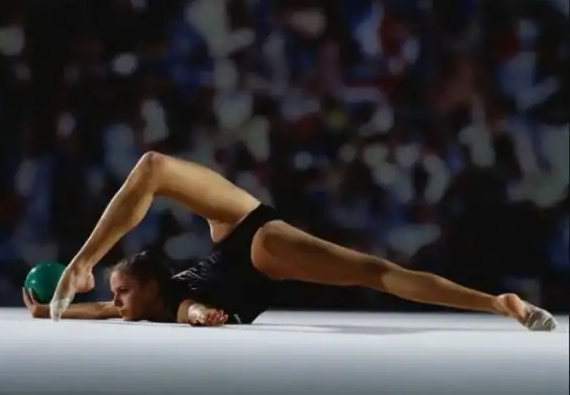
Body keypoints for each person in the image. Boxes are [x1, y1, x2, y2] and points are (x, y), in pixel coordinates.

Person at [35, 152, 557, 330]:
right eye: (117, 295)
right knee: (375, 273)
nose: (115, 302)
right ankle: (498, 303)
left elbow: (188, 310)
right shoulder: (147, 304)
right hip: (246, 254)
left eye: (121, 292)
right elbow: (103, 310)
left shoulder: (166, 303)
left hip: (252, 246)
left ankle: (83, 260)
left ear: (150, 287)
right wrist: (44, 311)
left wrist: (200, 316)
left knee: (153, 166)